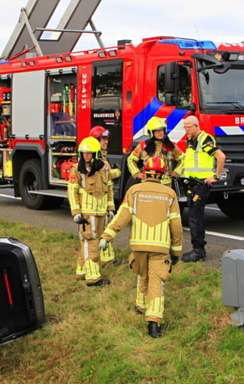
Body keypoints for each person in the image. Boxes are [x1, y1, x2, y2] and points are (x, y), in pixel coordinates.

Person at [100, 156, 183, 338]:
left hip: (138, 244)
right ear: (162, 174)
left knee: (142, 275)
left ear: (145, 172)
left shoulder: (134, 191)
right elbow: (176, 225)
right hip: (160, 246)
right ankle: (154, 323)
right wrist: (176, 250)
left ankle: (140, 306)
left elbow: (122, 216)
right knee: (156, 282)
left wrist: (107, 235)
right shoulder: (170, 194)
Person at [178, 116, 225, 263]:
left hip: (201, 184)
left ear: (196, 126)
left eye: (188, 127)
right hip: (193, 183)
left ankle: (198, 251)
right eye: (184, 127)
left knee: (195, 216)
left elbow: (221, 157)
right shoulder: (191, 140)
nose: (186, 130)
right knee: (193, 215)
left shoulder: (204, 139)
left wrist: (216, 176)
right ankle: (197, 248)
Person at [69, 136, 115, 287]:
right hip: (87, 215)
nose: (86, 155)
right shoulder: (77, 169)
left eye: (89, 153)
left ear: (96, 154)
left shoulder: (105, 167)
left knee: (89, 243)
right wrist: (76, 212)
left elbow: (109, 188)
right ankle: (93, 278)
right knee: (91, 243)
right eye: (83, 153)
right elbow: (72, 191)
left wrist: (110, 208)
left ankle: (81, 271)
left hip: (102, 213)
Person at [89, 125, 120, 267]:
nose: (106, 142)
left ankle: (107, 259)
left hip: (104, 200)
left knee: (104, 231)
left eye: (107, 139)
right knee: (98, 233)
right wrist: (117, 172)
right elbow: (106, 174)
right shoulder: (95, 159)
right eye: (103, 139)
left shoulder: (101, 156)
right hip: (96, 203)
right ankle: (100, 261)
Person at [126, 118, 181, 187]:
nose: (161, 133)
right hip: (147, 184)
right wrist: (137, 173)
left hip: (165, 185)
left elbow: (183, 159)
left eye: (162, 130)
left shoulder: (171, 146)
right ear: (151, 132)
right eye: (158, 131)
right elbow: (130, 159)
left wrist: (176, 172)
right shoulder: (143, 145)